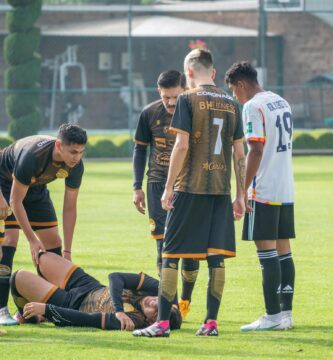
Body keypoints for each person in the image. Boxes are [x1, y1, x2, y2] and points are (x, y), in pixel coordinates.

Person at [133, 49, 246, 338]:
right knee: (216, 257)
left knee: (170, 254)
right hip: (220, 191)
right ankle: (210, 323)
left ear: (190, 73)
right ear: (214, 71)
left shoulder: (186, 99)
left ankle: (161, 323)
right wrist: (241, 195)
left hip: (189, 189)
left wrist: (168, 186)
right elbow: (239, 154)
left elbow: (181, 146)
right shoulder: (233, 104)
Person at [225, 61, 295, 331]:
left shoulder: (252, 106)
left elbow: (255, 149)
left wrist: (242, 191)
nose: (234, 96)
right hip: (284, 186)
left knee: (265, 251)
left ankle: (272, 316)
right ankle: (286, 314)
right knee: (283, 250)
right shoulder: (280, 101)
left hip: (262, 188)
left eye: (233, 90)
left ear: (241, 85)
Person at [0, 124, 87, 325]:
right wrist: (31, 239)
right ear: (59, 146)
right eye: (73, 152)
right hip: (5, 184)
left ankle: (41, 307)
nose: (77, 157)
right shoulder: (33, 156)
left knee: (52, 241)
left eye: (81, 152)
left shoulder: (76, 166)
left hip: (35, 187)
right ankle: (1, 308)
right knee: (10, 238)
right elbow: (16, 201)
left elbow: (70, 208)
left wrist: (68, 250)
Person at [133, 70, 199, 320]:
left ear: (185, 89)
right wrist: (136, 186)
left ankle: (185, 300)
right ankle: (168, 303)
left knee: (191, 248)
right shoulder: (149, 113)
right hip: (157, 184)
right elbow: (139, 150)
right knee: (163, 247)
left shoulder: (195, 111)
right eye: (165, 98)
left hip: (189, 185)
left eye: (175, 97)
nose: (170, 103)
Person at [10, 252, 182, 331]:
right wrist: (119, 310)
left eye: (156, 310)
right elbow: (115, 277)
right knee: (42, 258)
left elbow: (87, 319)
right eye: (160, 302)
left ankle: (30, 316)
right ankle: (43, 301)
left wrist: (47, 309)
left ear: (151, 321)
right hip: (89, 285)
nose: (153, 302)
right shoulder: (160, 290)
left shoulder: (132, 321)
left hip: (71, 304)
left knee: (18, 277)